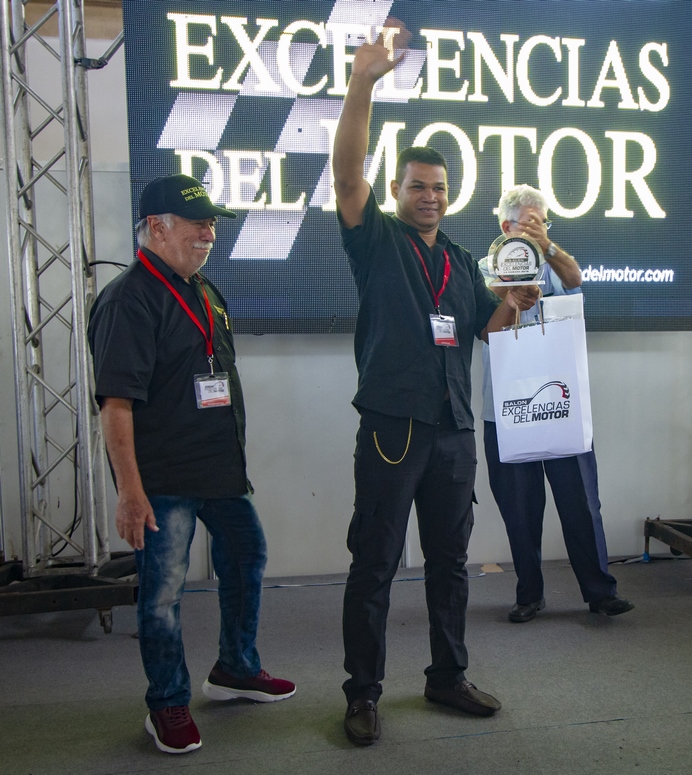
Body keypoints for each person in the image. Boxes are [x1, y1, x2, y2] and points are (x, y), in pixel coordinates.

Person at [331, 23, 538, 746]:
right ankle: (362, 694)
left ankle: (447, 675)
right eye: (418, 186)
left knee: (451, 562)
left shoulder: (458, 259)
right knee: (377, 564)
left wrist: (517, 302)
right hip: (393, 429)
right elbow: (347, 175)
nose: (430, 196)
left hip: (452, 431)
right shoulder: (375, 238)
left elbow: (491, 329)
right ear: (398, 190)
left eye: (440, 188)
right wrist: (363, 83)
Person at [88, 174, 296, 755]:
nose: (209, 234)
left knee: (247, 554)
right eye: (197, 224)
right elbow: (117, 405)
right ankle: (168, 704)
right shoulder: (127, 301)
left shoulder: (205, 290)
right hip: (164, 481)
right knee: (162, 594)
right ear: (156, 228)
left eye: (211, 224)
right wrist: (131, 492)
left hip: (220, 472)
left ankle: (235, 668)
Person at [479, 185, 634, 623]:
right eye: (528, 222)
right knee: (520, 509)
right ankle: (529, 593)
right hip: (507, 412)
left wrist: (544, 246)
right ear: (505, 225)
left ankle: (600, 591)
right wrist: (512, 286)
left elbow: (576, 278)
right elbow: (489, 297)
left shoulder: (554, 262)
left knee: (582, 502)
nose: (536, 228)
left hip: (563, 407)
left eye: (542, 221)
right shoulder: (484, 266)